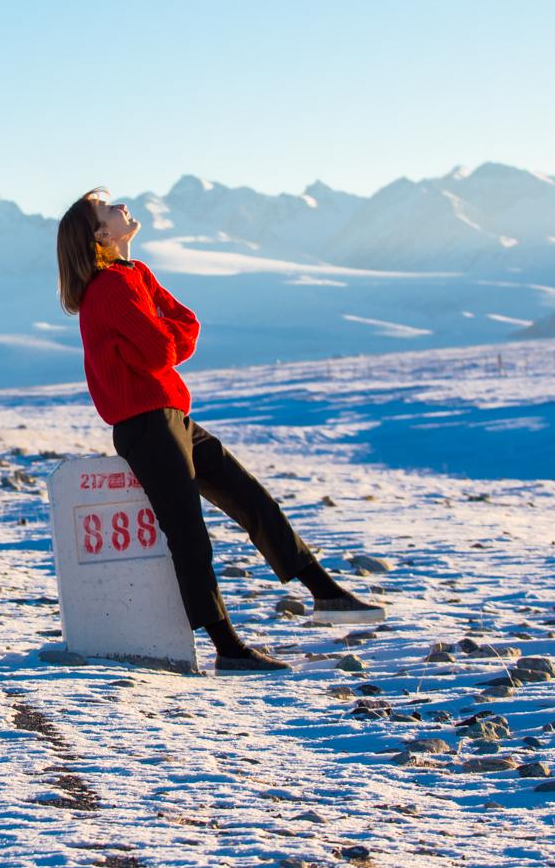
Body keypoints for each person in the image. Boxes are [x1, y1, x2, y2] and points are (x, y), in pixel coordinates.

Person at [57, 188, 385, 674]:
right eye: (107, 206)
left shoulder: (135, 275)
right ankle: (228, 647)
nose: (121, 204)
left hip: (170, 418)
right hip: (146, 425)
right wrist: (165, 333)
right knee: (188, 535)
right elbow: (162, 351)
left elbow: (186, 324)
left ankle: (326, 593)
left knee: (250, 498)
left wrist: (164, 329)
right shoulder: (111, 289)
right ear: (100, 235)